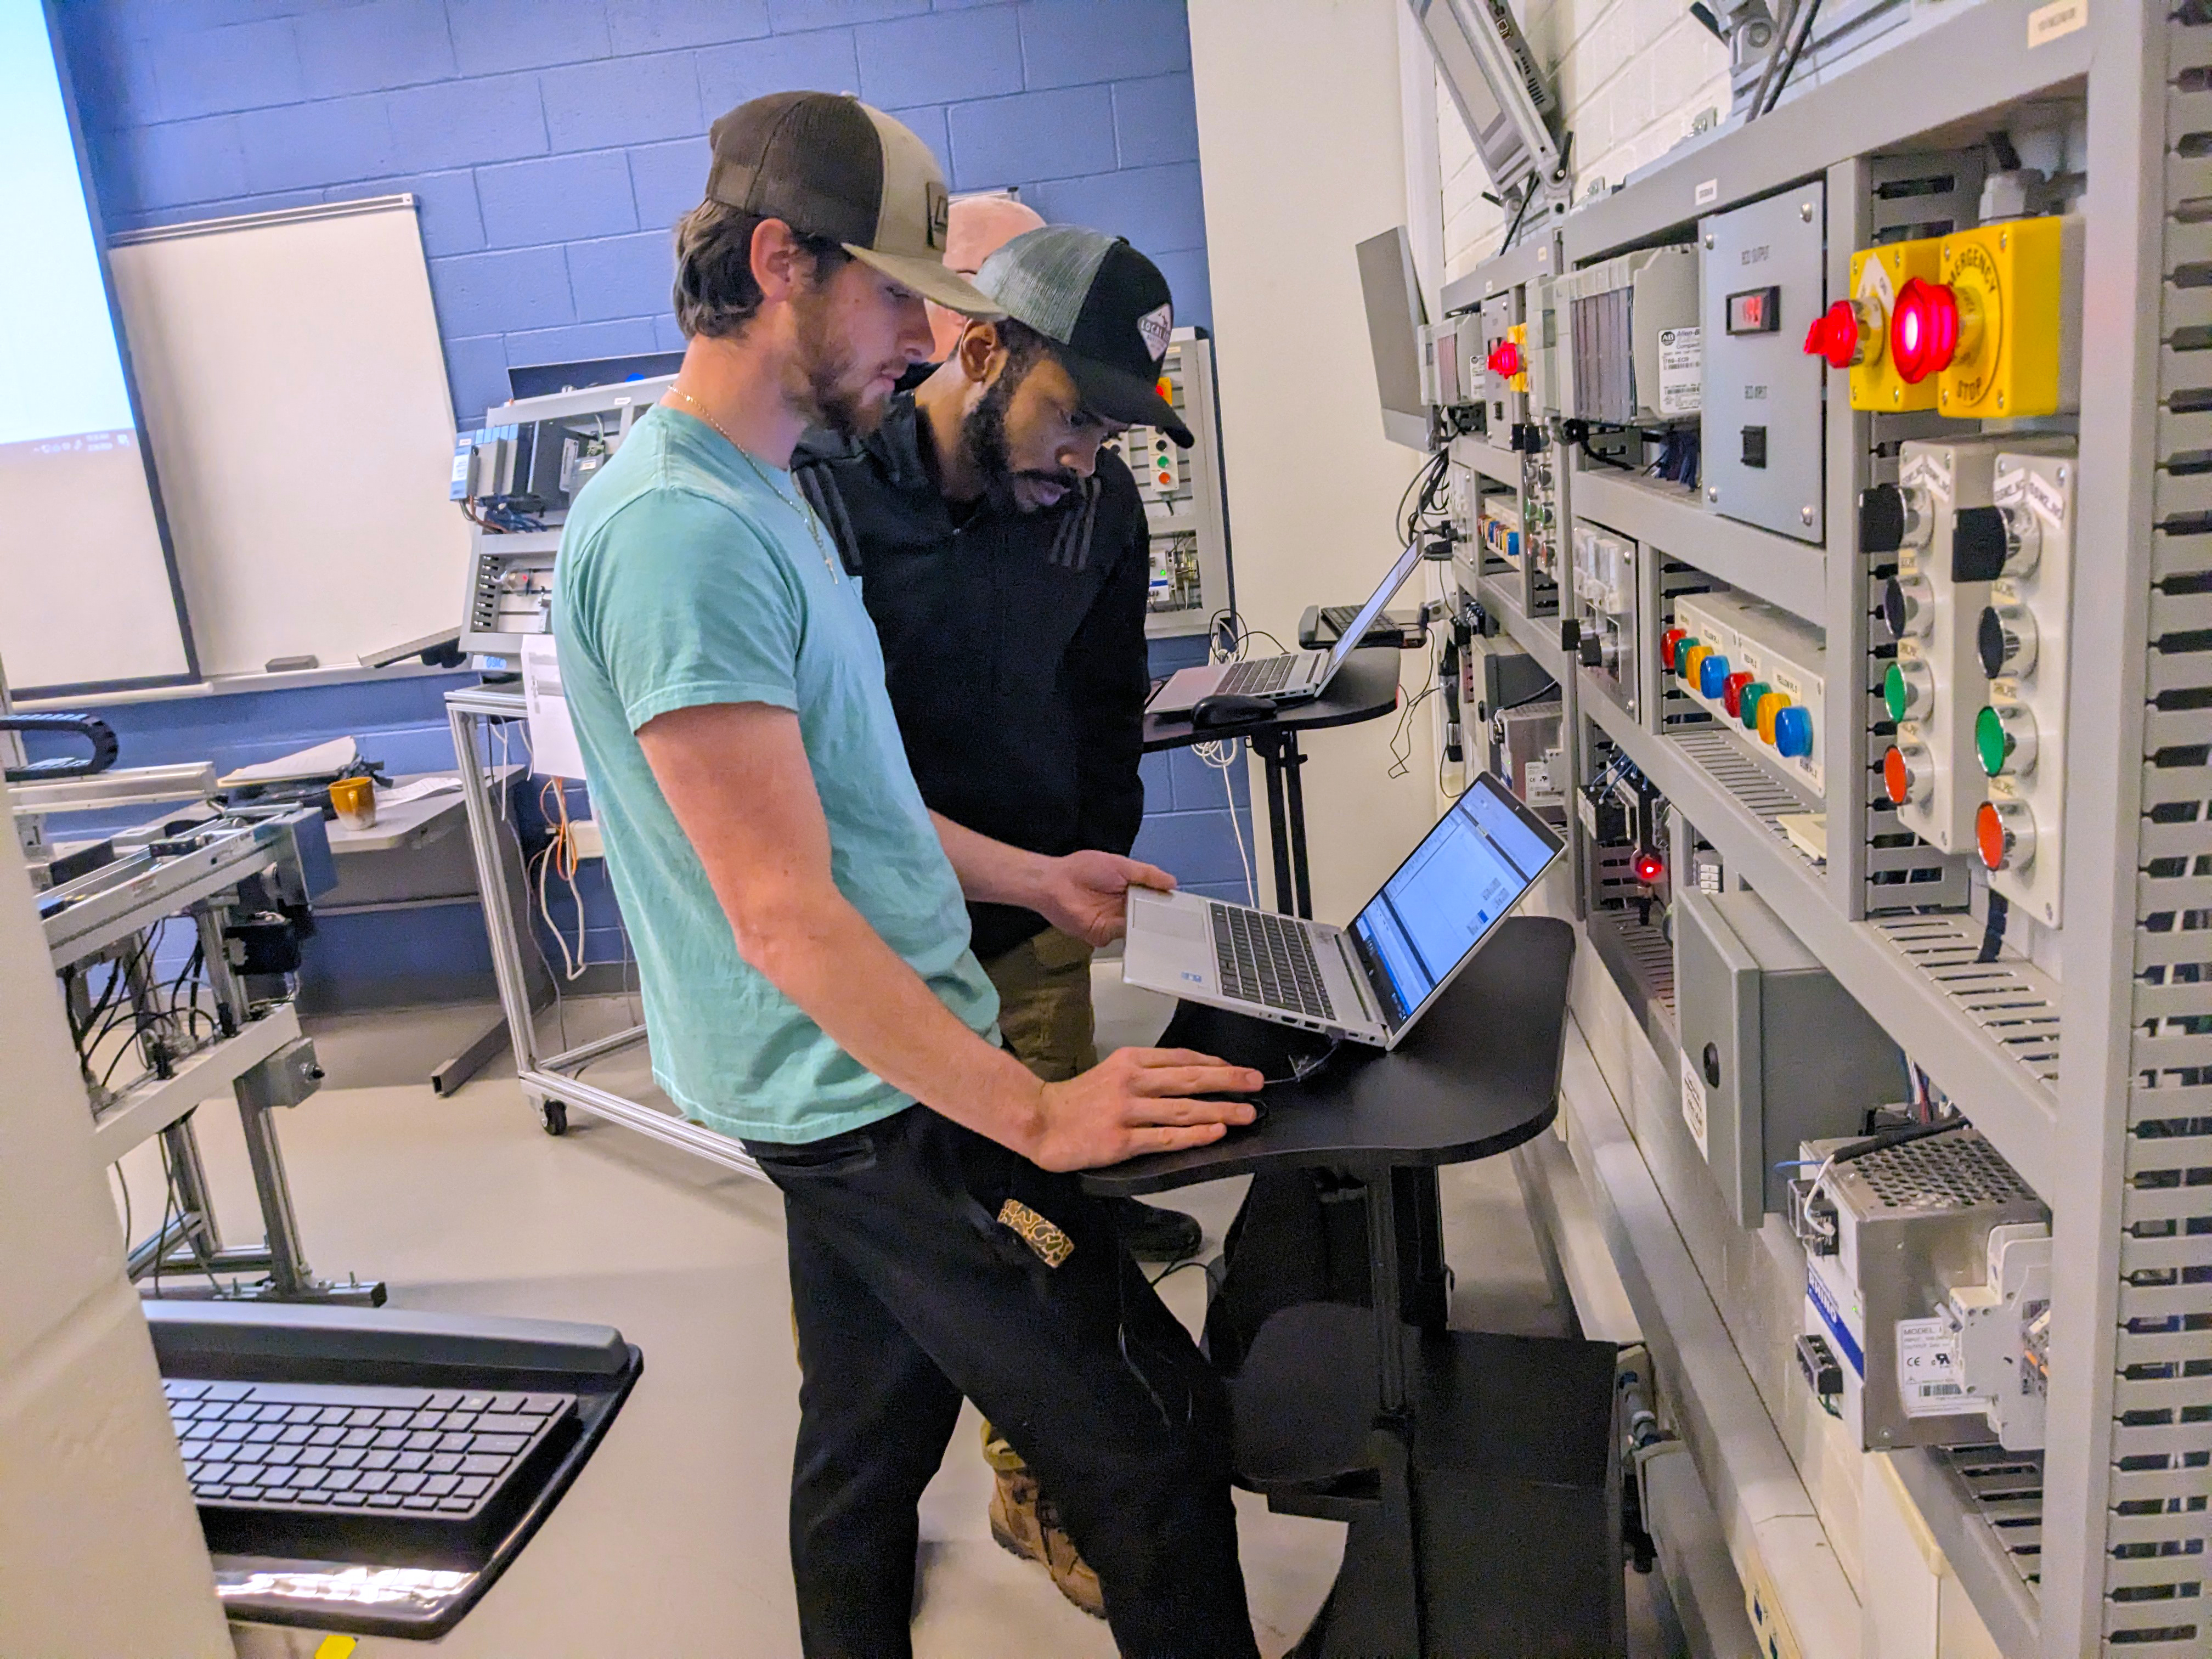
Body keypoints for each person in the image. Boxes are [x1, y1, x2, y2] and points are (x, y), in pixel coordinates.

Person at [551, 92, 1265, 1659]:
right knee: (1154, 1441)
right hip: (869, 1102)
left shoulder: (758, 495)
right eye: (899, 297)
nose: (928, 343)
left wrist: (1038, 874)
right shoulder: (685, 535)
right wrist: (1034, 1110)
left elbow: (850, 809)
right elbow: (781, 910)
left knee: (864, 1455)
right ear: (778, 263)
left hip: (860, 1070)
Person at [795, 223, 1204, 1617]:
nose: (1090, 453)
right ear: (981, 348)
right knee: (897, 1290)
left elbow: (1108, 706)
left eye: (1114, 429)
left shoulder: (1101, 506)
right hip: (875, 960)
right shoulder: (825, 496)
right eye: (1072, 416)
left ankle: (1042, 1491)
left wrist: (1093, 862)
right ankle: (866, 1520)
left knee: (1044, 1244)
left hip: (1026, 924)